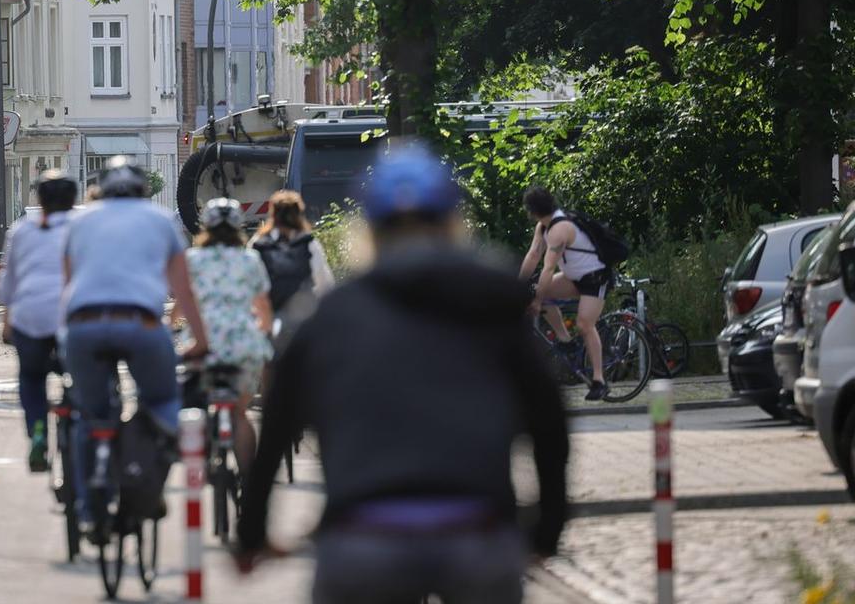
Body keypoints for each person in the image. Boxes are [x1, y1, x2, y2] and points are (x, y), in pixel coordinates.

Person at [234, 144, 569, 604]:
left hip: (364, 539)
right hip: (476, 533)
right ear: (453, 222)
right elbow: (549, 422)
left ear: (369, 228)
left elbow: (276, 426)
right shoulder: (495, 304)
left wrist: (251, 534)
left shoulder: (332, 316)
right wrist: (546, 530)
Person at [62, 157, 209, 527]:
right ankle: (148, 485)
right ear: (144, 189)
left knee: (89, 414)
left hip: (85, 325)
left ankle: (87, 508)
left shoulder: (79, 221)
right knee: (162, 399)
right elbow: (183, 290)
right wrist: (202, 340)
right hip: (139, 323)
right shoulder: (159, 220)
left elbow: (67, 285)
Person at [178, 197, 273, 469]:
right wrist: (264, 331)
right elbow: (262, 303)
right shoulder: (250, 258)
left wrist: (174, 320)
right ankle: (248, 480)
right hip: (243, 342)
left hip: (203, 341)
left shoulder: (192, 258)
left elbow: (183, 301)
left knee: (196, 399)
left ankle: (201, 457)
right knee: (240, 415)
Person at [0, 171, 75, 471]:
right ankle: (85, 426)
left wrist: (7, 322)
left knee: (31, 377)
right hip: (73, 316)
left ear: (39, 200)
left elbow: (8, 282)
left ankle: (38, 432)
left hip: (30, 315)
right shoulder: (83, 228)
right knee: (85, 372)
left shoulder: (21, 231)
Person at [517, 186, 609, 401]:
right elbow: (533, 256)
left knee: (585, 324)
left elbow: (548, 268)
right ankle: (565, 339)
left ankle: (599, 381)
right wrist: (519, 286)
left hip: (595, 278)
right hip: (574, 277)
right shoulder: (543, 226)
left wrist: (538, 302)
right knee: (537, 290)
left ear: (532, 211)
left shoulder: (560, 229)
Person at [250, 189, 335, 318]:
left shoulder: (258, 243)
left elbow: (249, 282)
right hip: (302, 316)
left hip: (269, 316)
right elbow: (325, 284)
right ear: (299, 213)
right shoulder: (308, 243)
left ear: (272, 214)